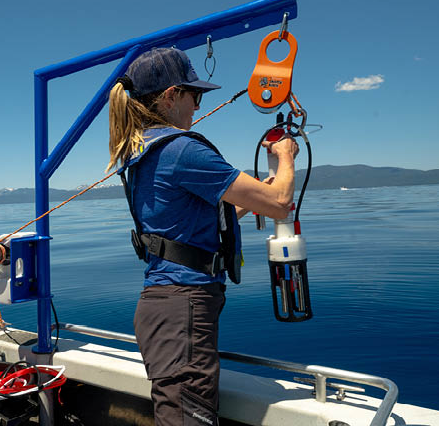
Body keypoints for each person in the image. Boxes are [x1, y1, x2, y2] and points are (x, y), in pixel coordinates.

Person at [107, 47, 298, 426]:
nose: (197, 105)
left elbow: (198, 223)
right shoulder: (181, 150)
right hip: (183, 310)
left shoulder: (144, 149)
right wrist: (286, 155)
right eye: (195, 95)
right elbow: (280, 204)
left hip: (169, 307)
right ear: (171, 96)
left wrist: (258, 191)